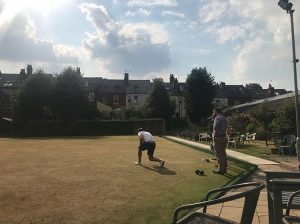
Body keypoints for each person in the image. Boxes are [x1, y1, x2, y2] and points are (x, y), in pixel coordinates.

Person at [212, 107, 228, 174]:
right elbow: (226, 126)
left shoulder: (217, 118)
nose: (213, 113)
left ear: (216, 111)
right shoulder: (224, 118)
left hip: (218, 137)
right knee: (223, 153)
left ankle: (221, 170)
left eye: (214, 111)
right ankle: (224, 168)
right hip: (224, 137)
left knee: (219, 154)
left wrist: (215, 133)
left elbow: (216, 127)